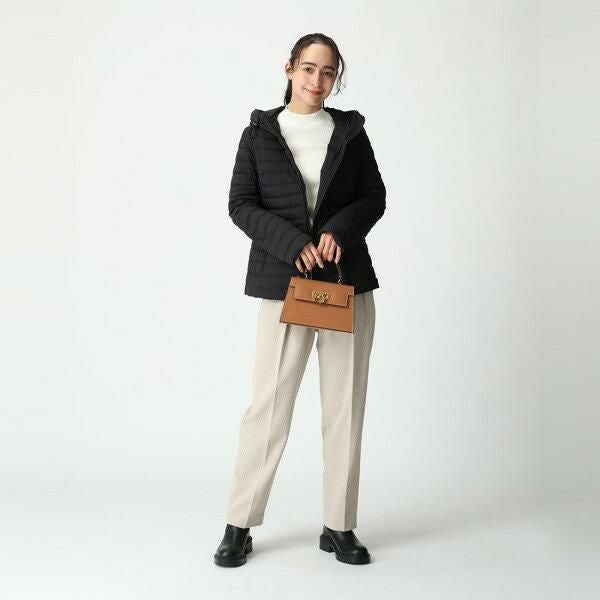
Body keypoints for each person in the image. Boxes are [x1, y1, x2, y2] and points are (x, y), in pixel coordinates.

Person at [214, 33, 386, 567]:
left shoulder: (350, 132)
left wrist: (338, 231)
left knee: (345, 406)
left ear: (336, 78)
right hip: (282, 284)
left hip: (345, 283)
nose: (318, 80)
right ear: (289, 68)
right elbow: (240, 204)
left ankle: (339, 524)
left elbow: (374, 197)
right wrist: (294, 244)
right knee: (268, 407)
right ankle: (239, 523)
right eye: (309, 68)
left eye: (328, 72)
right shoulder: (259, 134)